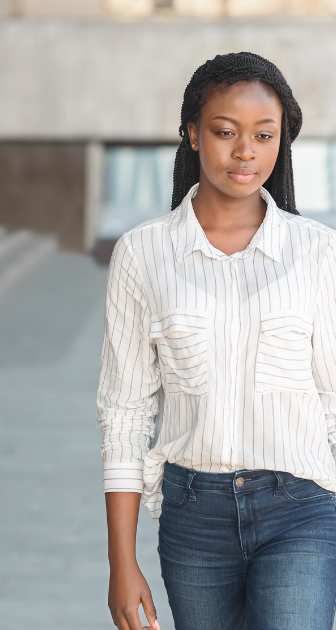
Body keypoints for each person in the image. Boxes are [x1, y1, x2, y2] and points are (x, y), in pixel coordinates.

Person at [99, 52, 336, 630]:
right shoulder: (142, 254)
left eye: (264, 135)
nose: (245, 151)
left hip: (301, 509)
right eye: (226, 132)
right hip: (192, 517)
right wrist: (120, 562)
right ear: (191, 134)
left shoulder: (318, 253)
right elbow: (126, 412)